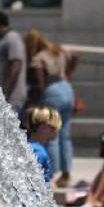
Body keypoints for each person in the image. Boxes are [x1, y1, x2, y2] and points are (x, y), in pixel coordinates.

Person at [25, 29, 77, 187]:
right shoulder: (57, 51)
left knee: (49, 134)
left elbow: (40, 85)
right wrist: (67, 73)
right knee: (65, 134)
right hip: (67, 89)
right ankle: (66, 174)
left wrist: (31, 102)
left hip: (52, 93)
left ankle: (52, 174)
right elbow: (75, 55)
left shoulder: (38, 58)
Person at [0, 11, 27, 114]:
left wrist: (5, 92)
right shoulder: (5, 40)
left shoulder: (12, 38)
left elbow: (16, 65)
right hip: (5, 97)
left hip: (12, 97)